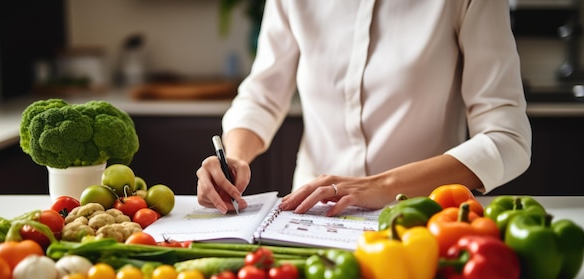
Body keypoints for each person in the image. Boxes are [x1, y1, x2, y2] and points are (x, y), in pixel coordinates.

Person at [196, 0, 532, 217]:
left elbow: (507, 138)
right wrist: (236, 157)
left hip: (425, 218)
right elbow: (262, 95)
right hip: (309, 218)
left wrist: (381, 186)